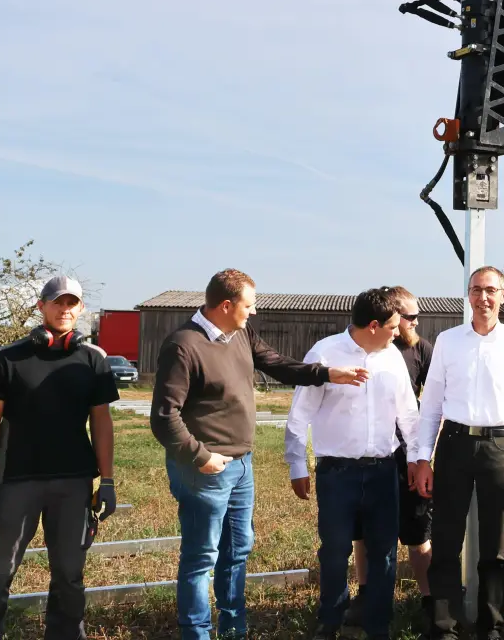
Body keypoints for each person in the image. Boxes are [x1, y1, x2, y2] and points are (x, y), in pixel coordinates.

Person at [151, 269, 369, 640]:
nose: (253, 312)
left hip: (241, 465)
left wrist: (328, 374)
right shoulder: (184, 345)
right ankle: (197, 632)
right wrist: (201, 456)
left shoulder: (240, 334)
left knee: (238, 550)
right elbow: (163, 417)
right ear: (225, 305)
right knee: (202, 557)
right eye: (248, 305)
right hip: (206, 469)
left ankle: (234, 629)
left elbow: (277, 363)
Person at [0, 276, 119, 640]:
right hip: (15, 483)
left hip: (73, 484)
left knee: (70, 576)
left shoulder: (91, 361)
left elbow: (102, 424)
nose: (65, 308)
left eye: (72, 303)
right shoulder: (7, 358)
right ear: (41, 306)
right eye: (58, 302)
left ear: (81, 308)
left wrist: (107, 480)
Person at [410, 265, 504, 640]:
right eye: (476, 290)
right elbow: (431, 403)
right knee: (447, 539)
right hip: (453, 444)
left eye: (490, 290)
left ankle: (492, 625)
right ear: (468, 295)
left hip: (500, 446)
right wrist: (423, 458)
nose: (482, 298)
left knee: (495, 543)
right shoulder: (449, 341)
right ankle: (444, 626)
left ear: (503, 296)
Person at [285, 287, 421, 640]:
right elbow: (300, 414)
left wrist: (419, 459)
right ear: (373, 325)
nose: (398, 333)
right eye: (393, 326)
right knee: (334, 551)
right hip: (337, 474)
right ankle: (330, 621)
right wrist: (297, 465)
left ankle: (378, 626)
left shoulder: (391, 357)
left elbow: (409, 414)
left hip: (382, 471)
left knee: (384, 553)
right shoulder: (325, 354)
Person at [347, 287, 436, 628]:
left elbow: (433, 403)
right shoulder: (369, 347)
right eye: (410, 317)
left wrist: (424, 454)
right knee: (364, 530)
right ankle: (366, 594)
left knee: (417, 527)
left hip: (408, 455)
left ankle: (428, 600)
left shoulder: (421, 350)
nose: (415, 322)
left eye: (415, 316)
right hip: (368, 453)